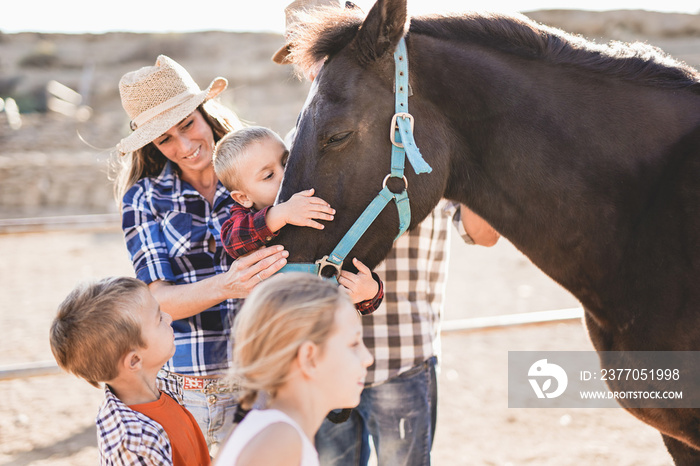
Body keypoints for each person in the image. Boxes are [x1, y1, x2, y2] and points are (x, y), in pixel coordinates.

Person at [273, 2, 501, 464]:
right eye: (311, 56)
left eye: (328, 48)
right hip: (324, 355)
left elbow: (482, 234)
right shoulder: (304, 136)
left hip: (402, 354)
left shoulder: (422, 125)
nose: (320, 65)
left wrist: (493, 159)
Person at [113, 55, 289, 453]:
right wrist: (229, 285)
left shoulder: (257, 166)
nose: (186, 146)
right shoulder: (143, 199)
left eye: (188, 124)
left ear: (204, 112)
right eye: (165, 139)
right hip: (198, 385)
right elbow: (158, 302)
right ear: (152, 145)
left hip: (271, 372)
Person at [212, 126, 383, 315]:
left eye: (286, 162)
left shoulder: (314, 200)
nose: (285, 174)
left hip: (329, 322)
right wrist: (280, 214)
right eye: (269, 175)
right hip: (279, 324)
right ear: (243, 198)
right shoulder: (244, 216)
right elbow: (233, 240)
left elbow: (350, 257)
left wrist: (370, 291)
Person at [214, 273, 374, 466]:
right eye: (354, 343)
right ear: (308, 357)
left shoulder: (278, 432)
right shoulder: (281, 441)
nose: (368, 358)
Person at [49, 276, 211, 466]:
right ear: (134, 360)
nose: (169, 317)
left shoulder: (164, 388)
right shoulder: (133, 443)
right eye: (159, 318)